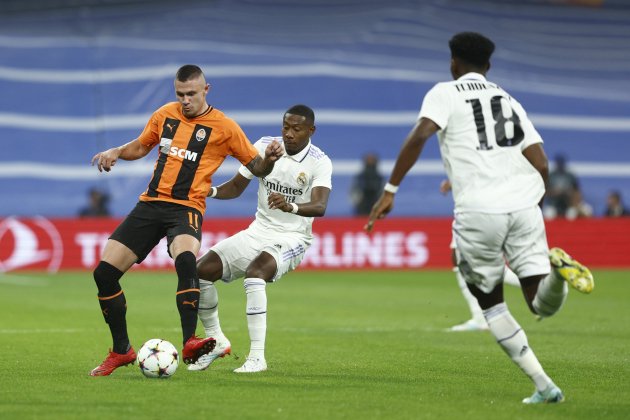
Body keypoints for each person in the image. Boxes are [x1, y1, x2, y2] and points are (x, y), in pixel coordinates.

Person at [366, 32, 594, 404]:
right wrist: (528, 197)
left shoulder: (445, 92)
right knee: (540, 302)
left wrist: (390, 189)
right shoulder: (508, 99)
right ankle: (556, 273)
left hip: (478, 209)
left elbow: (419, 135)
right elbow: (540, 161)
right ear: (488, 66)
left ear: (453, 63)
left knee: (491, 304)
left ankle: (543, 384)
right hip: (524, 206)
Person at [88, 64, 283, 376]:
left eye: (191, 94)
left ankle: (191, 339)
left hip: (186, 206)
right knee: (104, 275)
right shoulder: (165, 114)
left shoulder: (225, 127)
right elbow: (141, 146)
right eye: (180, 94)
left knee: (186, 259)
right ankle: (121, 350)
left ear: (206, 90)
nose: (185, 100)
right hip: (150, 204)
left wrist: (269, 160)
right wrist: (117, 151)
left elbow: (255, 166)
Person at [186, 104, 332, 373]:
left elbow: (320, 206)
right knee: (199, 272)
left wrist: (292, 206)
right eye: (285, 127)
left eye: (296, 129)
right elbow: (236, 187)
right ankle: (216, 340)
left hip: (292, 238)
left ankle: (256, 357)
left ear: (311, 130)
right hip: (257, 232)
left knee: (255, 274)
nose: (289, 134)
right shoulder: (266, 146)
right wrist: (210, 191)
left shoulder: (319, 161)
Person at [439, 180, 520, 332]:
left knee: (465, 261)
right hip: (480, 211)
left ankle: (538, 281)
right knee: (463, 262)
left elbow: (473, 171)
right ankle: (479, 317)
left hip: (474, 212)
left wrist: (453, 182)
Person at [543, 154, 579, 219]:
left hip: (568, 204)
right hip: (553, 205)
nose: (560, 164)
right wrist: (555, 192)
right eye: (559, 163)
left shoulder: (570, 176)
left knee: (572, 214)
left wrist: (568, 193)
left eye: (561, 163)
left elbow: (576, 191)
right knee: (548, 214)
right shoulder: (551, 175)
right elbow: (544, 192)